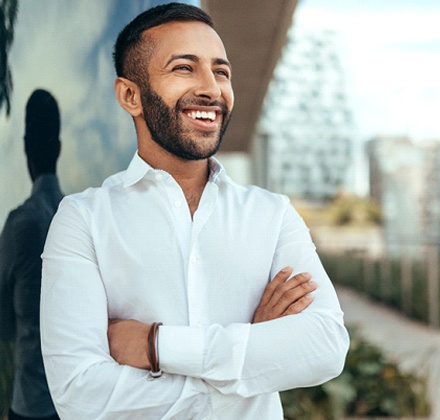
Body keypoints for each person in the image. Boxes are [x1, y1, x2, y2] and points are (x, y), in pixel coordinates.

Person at [40, 3, 349, 419]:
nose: (211, 88)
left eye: (221, 71)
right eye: (185, 68)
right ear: (130, 95)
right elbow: (81, 397)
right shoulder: (83, 220)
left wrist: (156, 346)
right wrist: (250, 358)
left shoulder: (272, 215)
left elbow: (325, 346)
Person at [0, 89, 62, 420]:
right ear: (60, 148)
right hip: (74, 404)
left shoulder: (21, 223)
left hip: (31, 407)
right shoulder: (78, 217)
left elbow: (3, 326)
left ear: (25, 147)